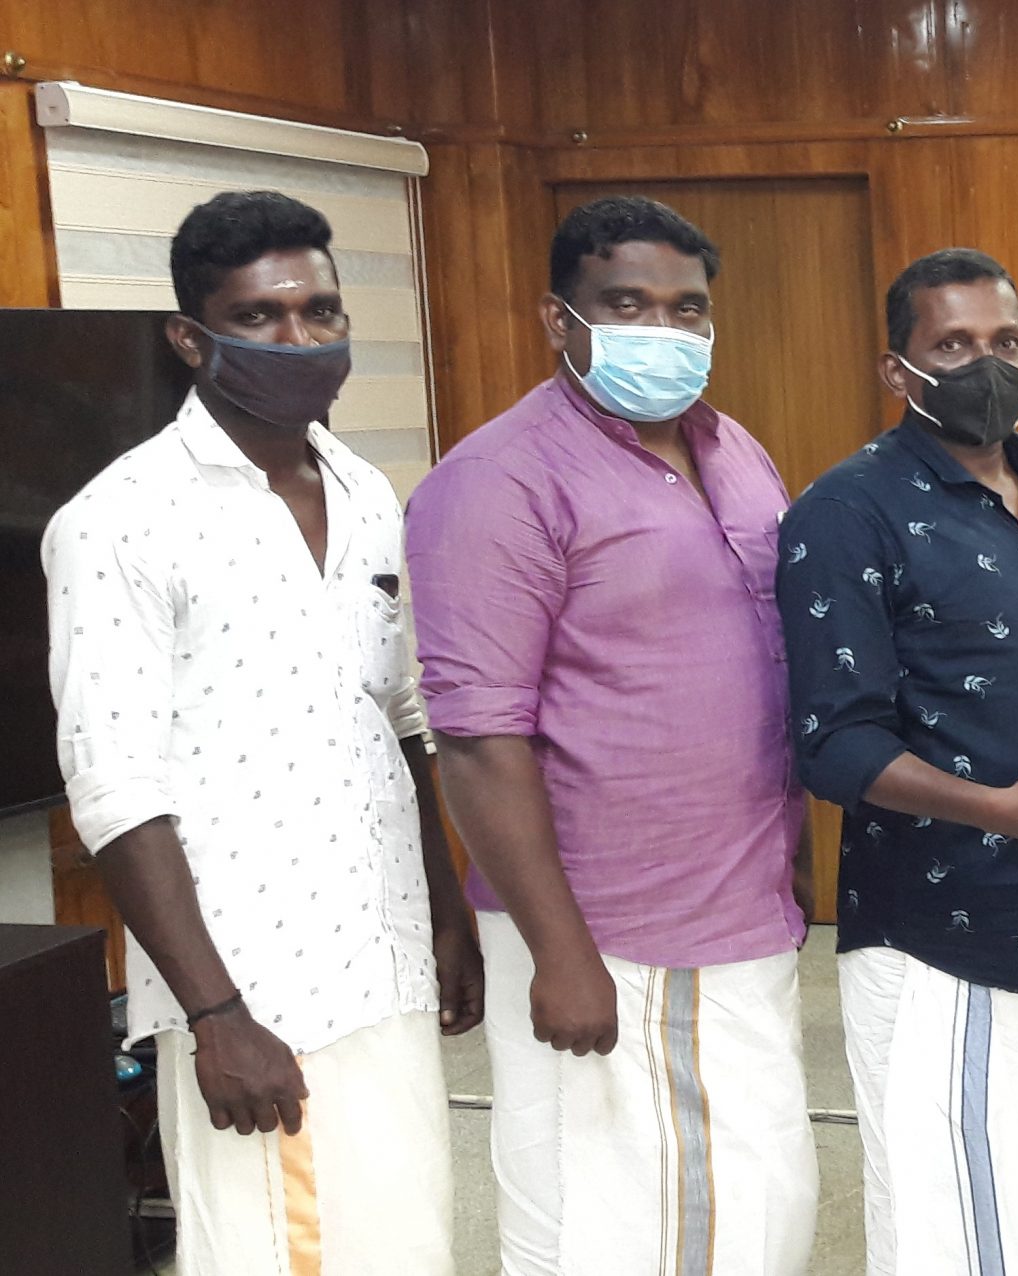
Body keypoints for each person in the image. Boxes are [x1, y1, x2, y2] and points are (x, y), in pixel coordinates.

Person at [44, 190, 479, 1273]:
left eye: (319, 312)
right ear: (191, 339)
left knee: (407, 1247)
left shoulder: (365, 490)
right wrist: (216, 1014)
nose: (298, 338)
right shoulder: (118, 521)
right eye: (259, 316)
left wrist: (445, 909)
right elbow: (114, 789)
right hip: (257, 994)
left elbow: (397, 716)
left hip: (385, 964)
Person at [406, 196, 816, 1274]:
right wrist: (561, 954)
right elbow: (477, 740)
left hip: (744, 916)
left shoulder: (736, 451)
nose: (663, 329)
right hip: (607, 935)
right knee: (610, 1230)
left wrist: (795, 860)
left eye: (687, 309)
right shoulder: (496, 482)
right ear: (560, 319)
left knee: (754, 1218)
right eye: (627, 305)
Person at [780, 248, 1018, 1275]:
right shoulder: (845, 512)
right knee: (966, 1235)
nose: (986, 364)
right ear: (896, 369)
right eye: (953, 345)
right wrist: (1001, 811)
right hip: (946, 938)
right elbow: (835, 744)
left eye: (1005, 341)